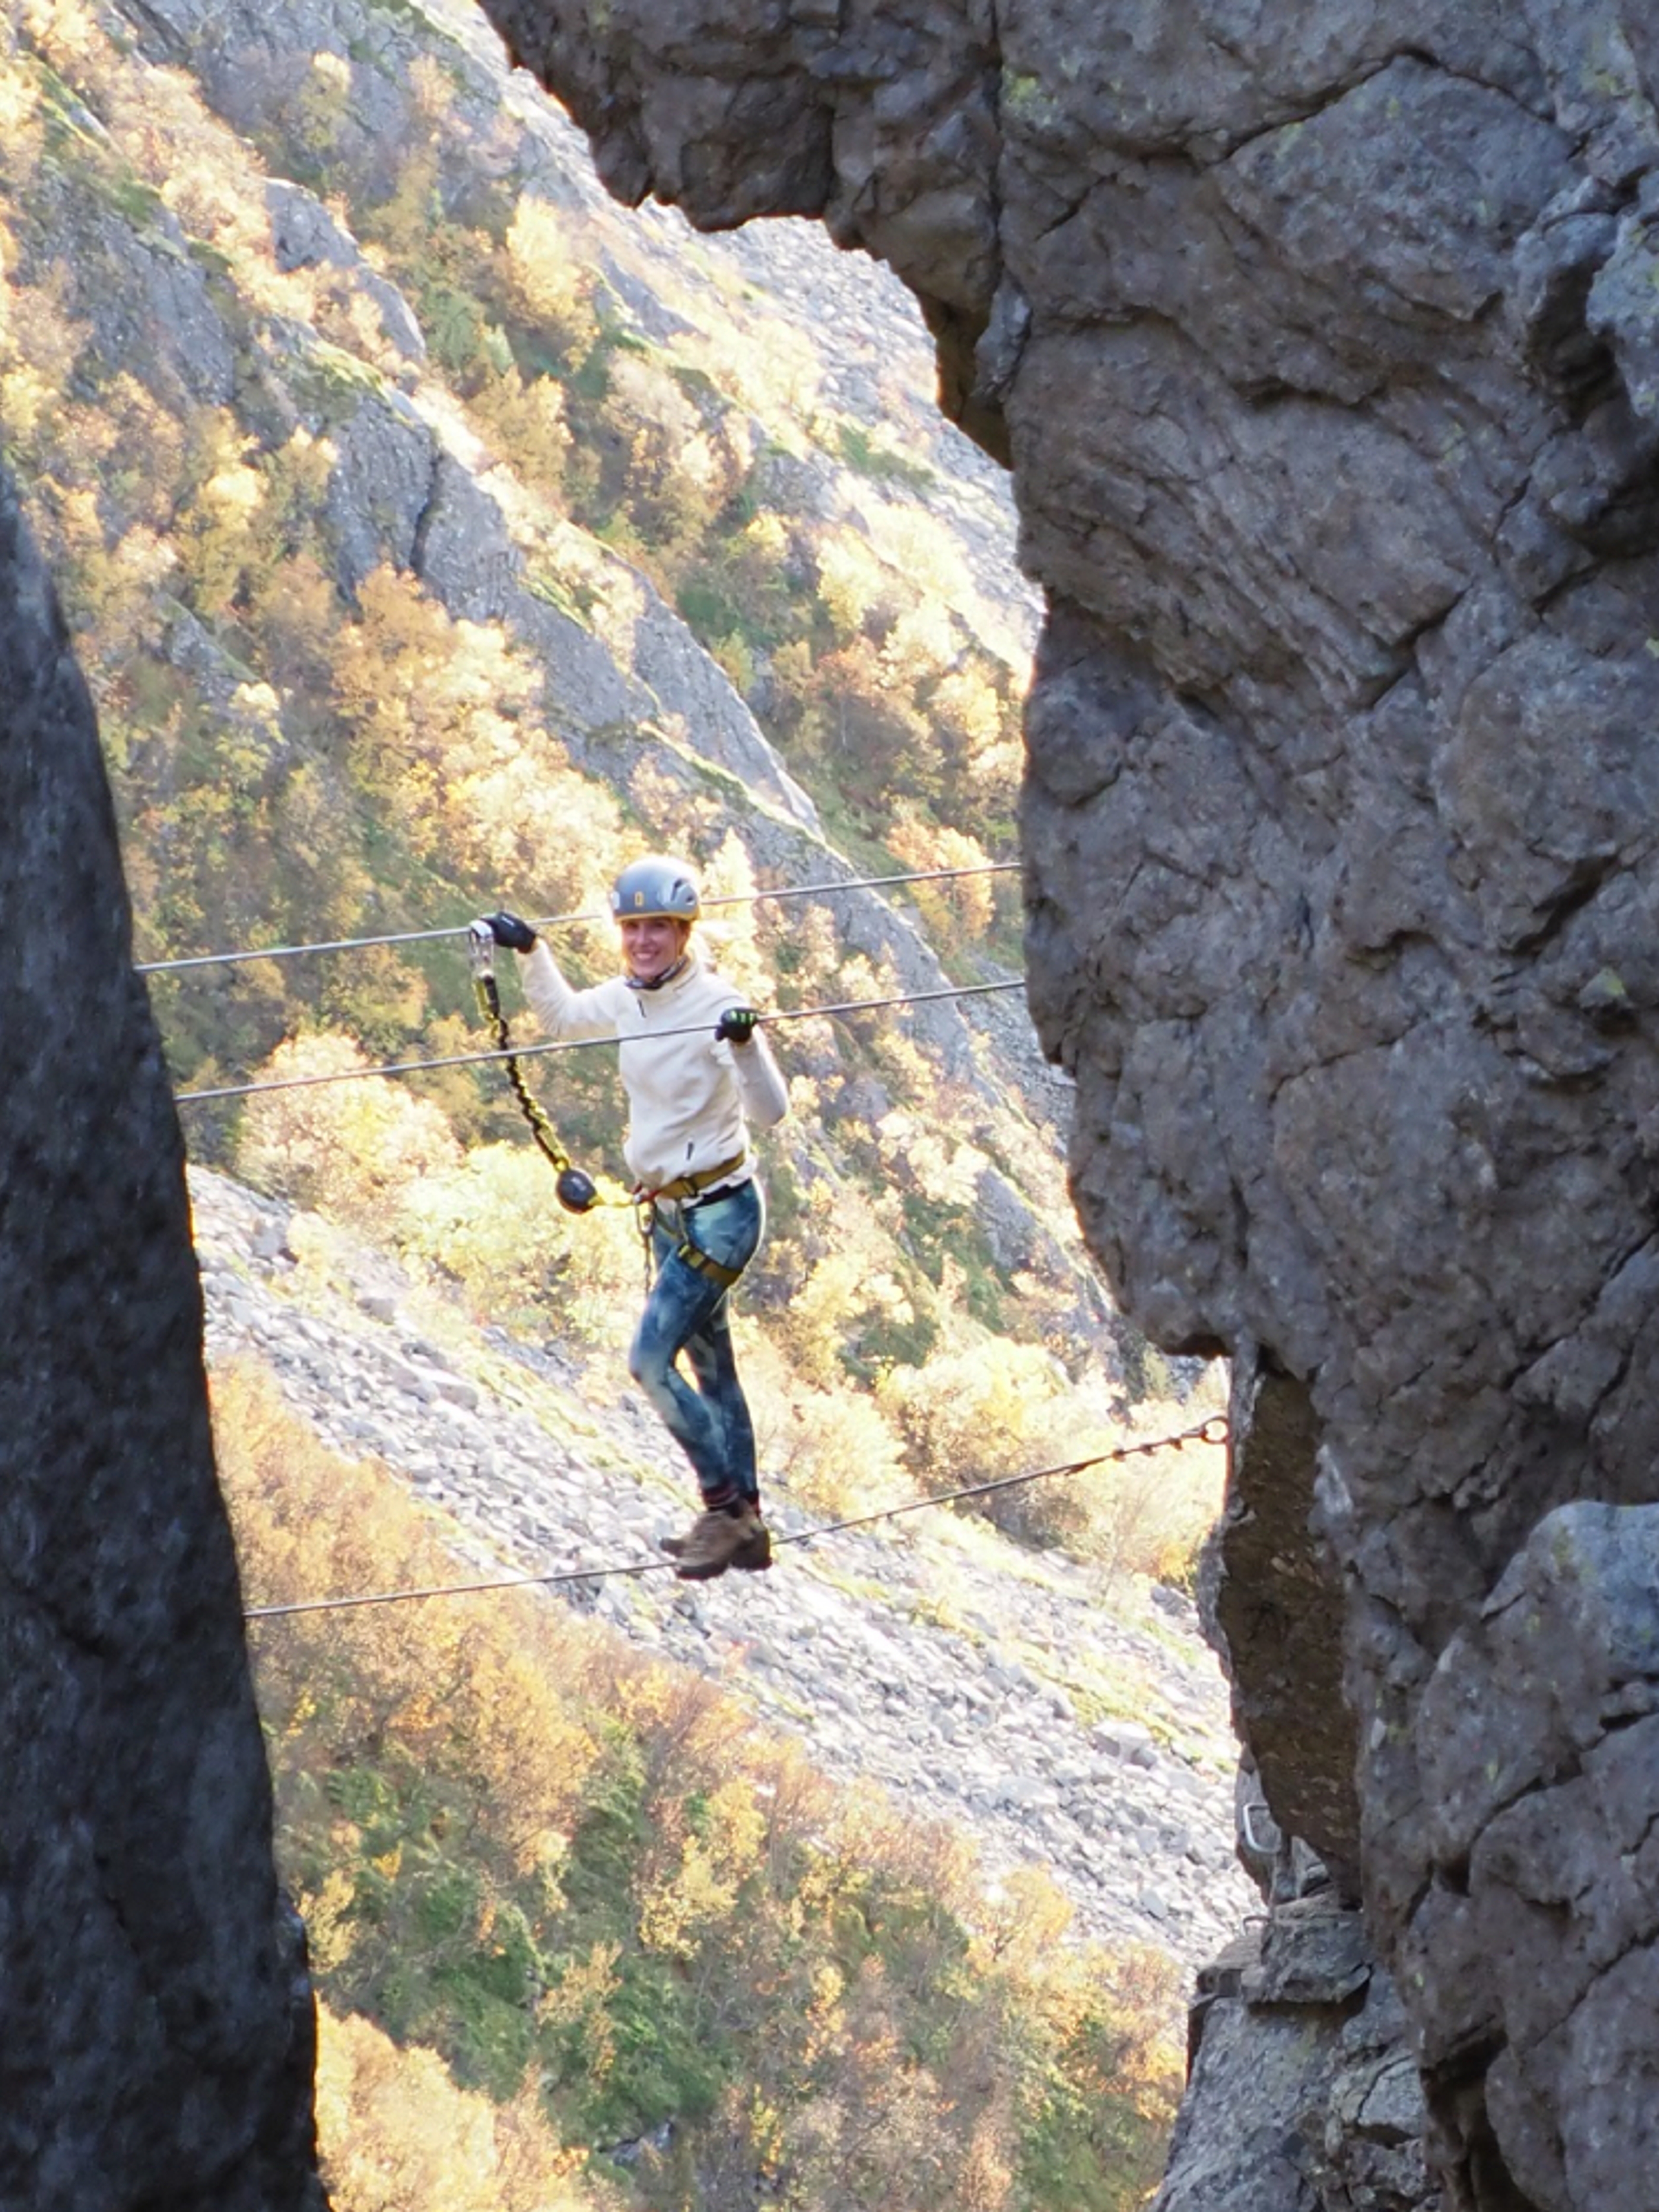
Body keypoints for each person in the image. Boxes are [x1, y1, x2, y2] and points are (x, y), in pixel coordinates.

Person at [477, 855, 788, 1580]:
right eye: (633, 929)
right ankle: (749, 1520)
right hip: (676, 1213)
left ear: (684, 933)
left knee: (648, 1361)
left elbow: (770, 1112)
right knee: (715, 1371)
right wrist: (531, 950)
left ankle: (722, 1510)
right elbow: (559, 1016)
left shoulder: (718, 1002)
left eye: (659, 928)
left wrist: (743, 1045)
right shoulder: (628, 999)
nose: (644, 941)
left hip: (723, 1213)